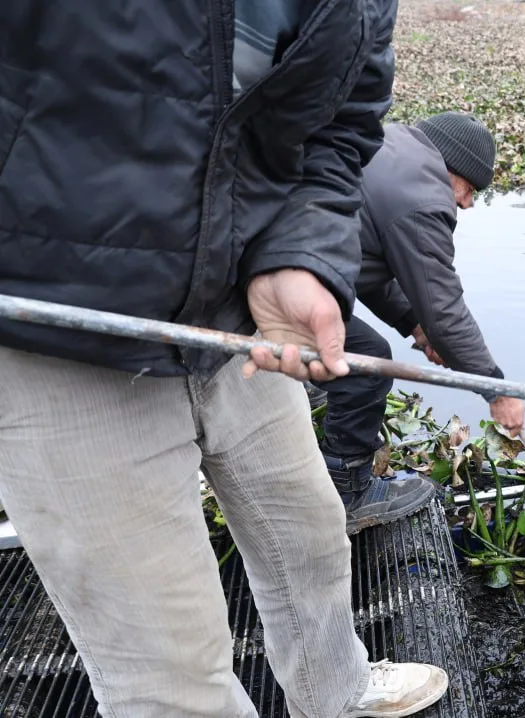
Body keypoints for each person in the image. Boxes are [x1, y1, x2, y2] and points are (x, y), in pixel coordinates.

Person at [0, 1, 449, 716]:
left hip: (241, 320)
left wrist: (297, 256)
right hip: (52, 334)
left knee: (309, 541)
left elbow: (339, 127)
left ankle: (338, 694)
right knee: (166, 661)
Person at [309, 112, 525, 534]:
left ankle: (323, 457)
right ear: (452, 168)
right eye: (470, 188)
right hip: (279, 286)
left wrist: (415, 324)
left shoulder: (391, 149)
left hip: (285, 266)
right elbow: (444, 309)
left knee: (353, 356)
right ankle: (348, 495)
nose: (467, 202)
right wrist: (495, 391)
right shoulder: (425, 198)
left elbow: (369, 264)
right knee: (368, 365)